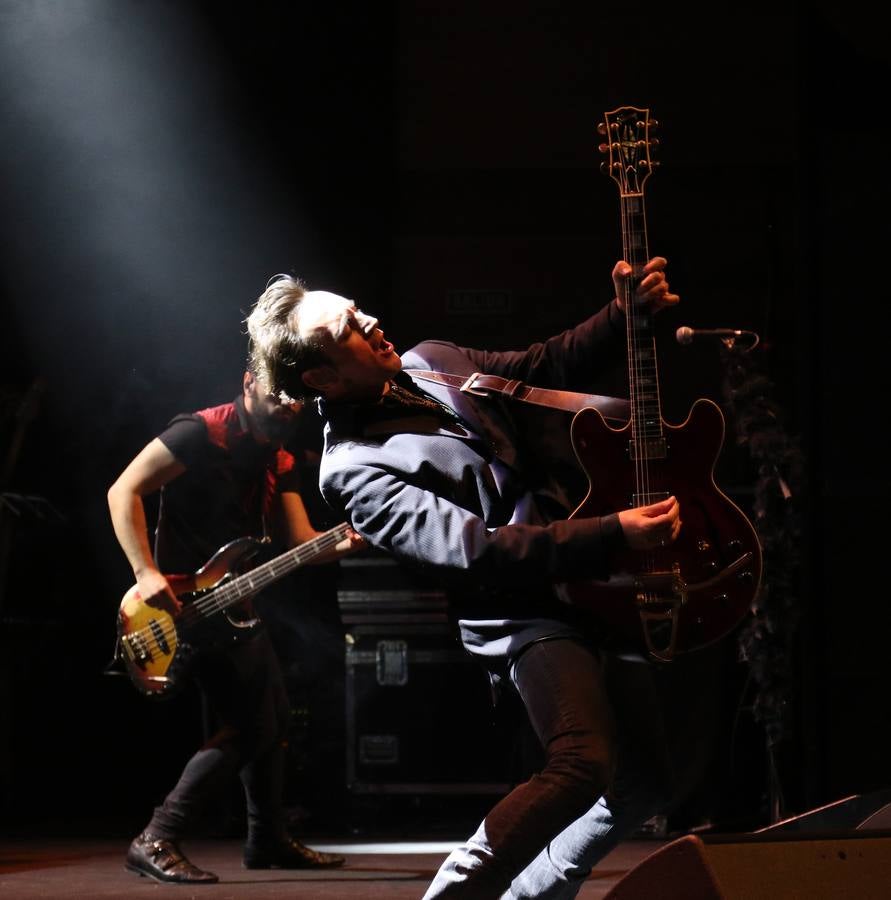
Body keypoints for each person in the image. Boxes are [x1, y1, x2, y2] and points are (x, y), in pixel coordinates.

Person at [245, 258, 682, 899]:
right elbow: (475, 551)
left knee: (646, 781)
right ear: (321, 377)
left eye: (358, 309)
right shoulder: (351, 468)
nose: (371, 322)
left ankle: (530, 894)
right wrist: (613, 534)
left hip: (594, 583)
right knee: (581, 760)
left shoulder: (433, 359)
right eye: (349, 331)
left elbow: (542, 366)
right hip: (522, 615)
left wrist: (623, 317)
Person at [106, 363, 364, 884]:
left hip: (236, 606)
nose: (290, 406)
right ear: (250, 381)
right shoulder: (202, 431)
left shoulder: (280, 456)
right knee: (252, 725)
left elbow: (298, 542)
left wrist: (343, 541)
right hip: (179, 607)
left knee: (275, 716)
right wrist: (144, 571)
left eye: (298, 398)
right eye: (280, 394)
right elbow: (123, 491)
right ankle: (157, 835)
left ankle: (266, 838)